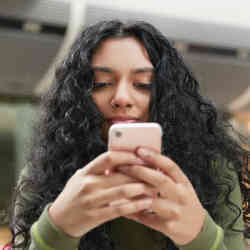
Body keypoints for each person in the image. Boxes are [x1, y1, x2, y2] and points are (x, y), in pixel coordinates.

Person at [8, 20, 249, 250]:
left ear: (168, 97)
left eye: (143, 84)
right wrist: (57, 229)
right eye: (101, 83)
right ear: (78, 97)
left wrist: (199, 234)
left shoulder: (214, 169)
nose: (122, 98)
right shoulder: (43, 173)